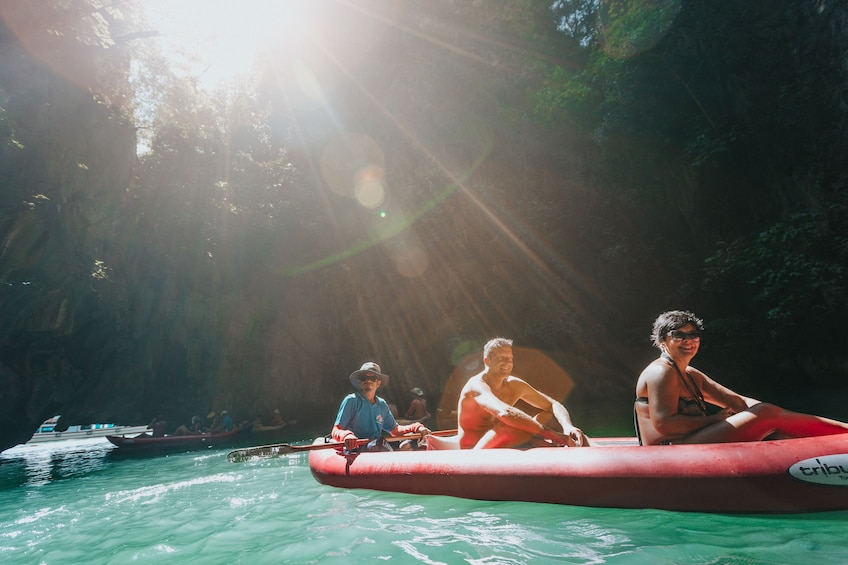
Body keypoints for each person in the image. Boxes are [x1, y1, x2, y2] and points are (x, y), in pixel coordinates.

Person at [634, 310, 848, 445]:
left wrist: (770, 415)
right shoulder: (660, 372)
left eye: (693, 335)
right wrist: (715, 420)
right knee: (766, 414)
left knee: (773, 425)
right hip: (669, 448)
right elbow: (665, 425)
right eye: (678, 335)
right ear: (662, 341)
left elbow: (740, 402)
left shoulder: (690, 375)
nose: (688, 340)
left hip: (689, 440)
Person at [457, 338, 590, 449]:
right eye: (502, 358)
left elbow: (552, 404)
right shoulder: (476, 385)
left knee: (547, 415)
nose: (508, 363)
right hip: (473, 451)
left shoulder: (514, 385)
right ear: (487, 361)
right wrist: (553, 435)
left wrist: (568, 426)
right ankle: (554, 445)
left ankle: (573, 449)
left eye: (510, 358)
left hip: (503, 444)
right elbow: (504, 413)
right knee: (508, 424)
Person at [331, 362, 431, 452]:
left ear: (378, 383)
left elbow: (395, 430)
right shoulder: (351, 400)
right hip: (356, 449)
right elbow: (336, 430)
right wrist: (347, 436)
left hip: (375, 445)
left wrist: (416, 427)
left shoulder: (382, 404)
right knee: (379, 445)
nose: (368, 381)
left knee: (412, 440)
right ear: (359, 382)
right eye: (364, 378)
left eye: (373, 378)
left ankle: (398, 457)